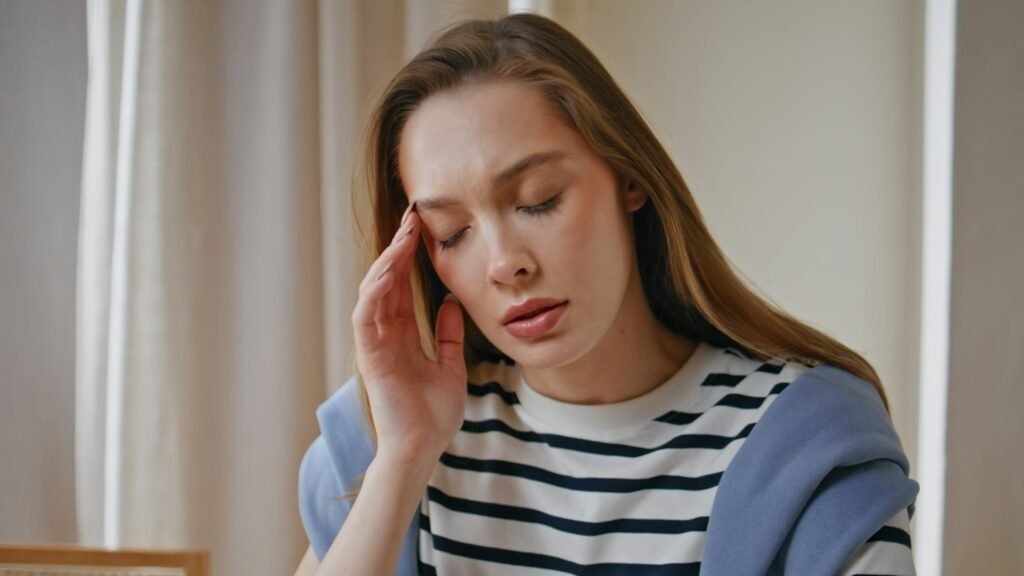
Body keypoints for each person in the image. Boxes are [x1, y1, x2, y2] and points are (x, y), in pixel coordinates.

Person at [294, 12, 918, 576]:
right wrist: (402, 460)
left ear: (628, 178)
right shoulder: (391, 431)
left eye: (539, 199)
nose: (505, 264)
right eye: (451, 233)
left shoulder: (800, 445)